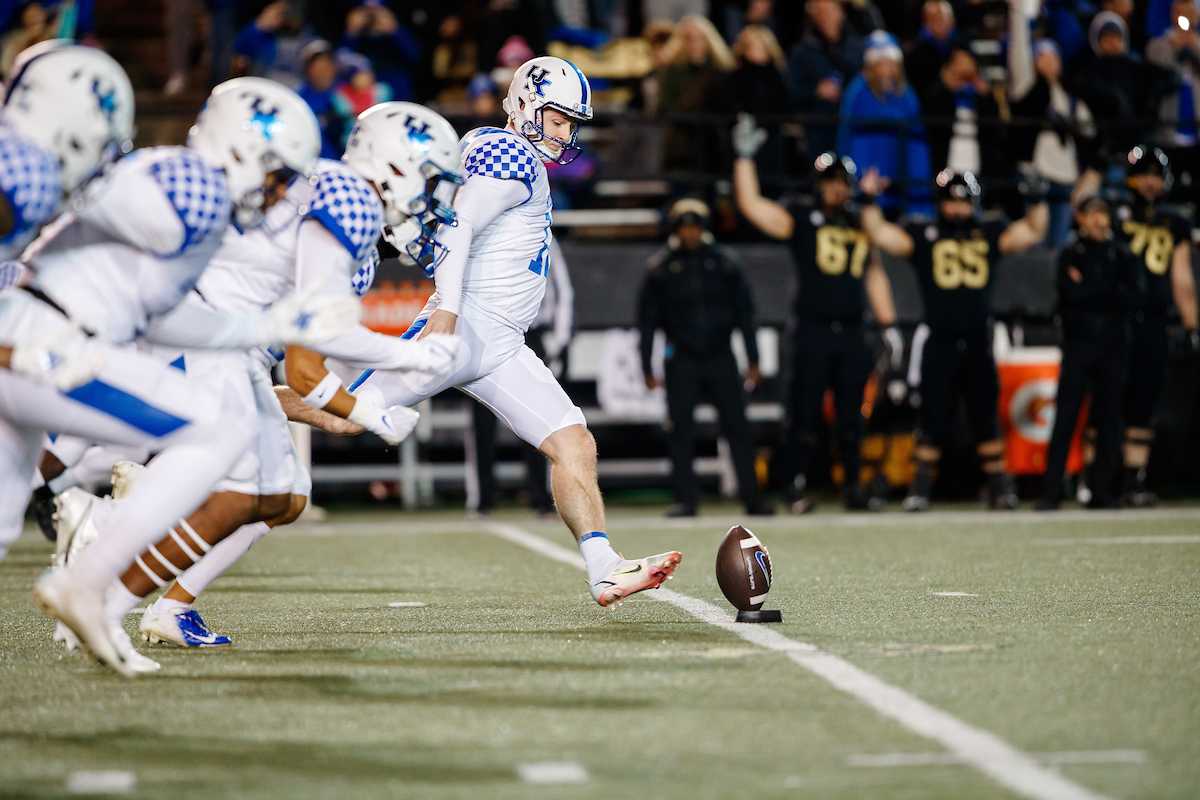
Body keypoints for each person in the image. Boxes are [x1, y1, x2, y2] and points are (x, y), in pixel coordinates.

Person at [22, 77, 359, 677]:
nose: (281, 195)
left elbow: (174, 314)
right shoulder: (192, 186)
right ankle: (97, 566)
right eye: (278, 175)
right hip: (47, 335)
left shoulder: (209, 208)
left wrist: (269, 327)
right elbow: (58, 215)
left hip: (79, 338)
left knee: (30, 482)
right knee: (212, 440)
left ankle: (98, 562)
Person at [350, 57, 683, 608]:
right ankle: (222, 414)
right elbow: (459, 224)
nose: (566, 133)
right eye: (558, 119)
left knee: (574, 442)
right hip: (469, 326)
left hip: (501, 342)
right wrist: (449, 310)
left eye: (572, 123)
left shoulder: (516, 158)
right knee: (345, 410)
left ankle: (604, 568)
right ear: (526, 105)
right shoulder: (509, 152)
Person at [734, 116, 902, 512]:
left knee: (851, 419)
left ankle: (852, 488)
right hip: (811, 329)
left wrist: (890, 324)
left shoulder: (862, 222)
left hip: (851, 330)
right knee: (803, 415)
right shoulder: (802, 219)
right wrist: (743, 159)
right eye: (830, 182)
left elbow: (875, 271)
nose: (836, 188)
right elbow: (753, 206)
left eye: (841, 182)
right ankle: (795, 486)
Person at [860, 169, 1049, 511]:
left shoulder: (988, 231)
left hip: (977, 340)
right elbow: (878, 232)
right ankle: (919, 490)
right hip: (940, 341)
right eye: (951, 201)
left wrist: (1036, 200)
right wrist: (870, 200)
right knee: (931, 418)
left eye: (963, 201)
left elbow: (1034, 231)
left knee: (986, 418)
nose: (958, 209)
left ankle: (999, 488)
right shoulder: (924, 233)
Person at [1075, 145, 1197, 506]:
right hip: (1117, 320)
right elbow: (1081, 206)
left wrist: (1191, 323)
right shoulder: (1112, 209)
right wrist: (1095, 168)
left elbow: (1181, 275)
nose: (1150, 182)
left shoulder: (1175, 220)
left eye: (1156, 175)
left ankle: (1132, 481)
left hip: (1155, 322)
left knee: (1143, 405)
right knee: (1105, 403)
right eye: (1144, 174)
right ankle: (1093, 479)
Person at [637, 198, 775, 518]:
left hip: (720, 356)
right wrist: (646, 365)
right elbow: (647, 322)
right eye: (684, 227)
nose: (690, 234)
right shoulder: (661, 268)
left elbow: (745, 315)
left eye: (695, 227)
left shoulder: (725, 263)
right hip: (681, 358)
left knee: (738, 427)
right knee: (681, 431)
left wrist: (753, 359)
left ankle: (752, 498)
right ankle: (687, 499)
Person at [1037, 195, 1134, 510]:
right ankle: (1051, 492)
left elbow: (1132, 295)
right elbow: (1071, 294)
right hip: (1078, 346)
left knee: (1107, 420)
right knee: (1065, 418)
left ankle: (1102, 492)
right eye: (1093, 214)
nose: (1099, 221)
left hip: (1112, 347)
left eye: (1103, 215)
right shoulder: (1069, 254)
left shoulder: (1119, 254)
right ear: (1080, 218)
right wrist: (1108, 290)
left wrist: (1090, 292)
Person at [470, 236, 573, 518]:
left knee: (536, 417)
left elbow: (563, 290)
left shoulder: (543, 234)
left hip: (531, 332)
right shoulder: (482, 232)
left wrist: (561, 340)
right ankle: (484, 499)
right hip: (488, 332)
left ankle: (541, 497)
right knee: (483, 421)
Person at [1008, 0, 1096, 247]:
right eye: (1041, 57)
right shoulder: (1028, 89)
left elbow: (1090, 134)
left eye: (1052, 57)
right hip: (1037, 173)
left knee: (1059, 245)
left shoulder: (1071, 98)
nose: (1047, 62)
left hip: (1067, 177)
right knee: (1035, 240)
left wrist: (1086, 170)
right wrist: (1017, 12)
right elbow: (1018, 53)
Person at [837, 31, 932, 216]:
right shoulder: (857, 91)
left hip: (900, 163)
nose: (886, 68)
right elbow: (847, 131)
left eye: (890, 63)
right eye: (881, 63)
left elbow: (916, 131)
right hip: (869, 161)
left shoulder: (906, 94)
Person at [657, 15, 733, 173]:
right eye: (689, 38)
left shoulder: (721, 71)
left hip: (712, 145)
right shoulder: (673, 70)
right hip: (680, 146)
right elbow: (666, 105)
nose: (694, 43)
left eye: (699, 37)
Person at [787, 0, 864, 158]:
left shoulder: (858, 48)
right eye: (820, 13)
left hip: (853, 126)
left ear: (841, 13)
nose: (825, 17)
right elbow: (790, 91)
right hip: (817, 129)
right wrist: (815, 91)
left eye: (829, 11)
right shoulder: (801, 51)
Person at [904, 1, 957, 101]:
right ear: (926, 22)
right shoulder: (914, 53)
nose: (940, 23)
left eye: (944, 18)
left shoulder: (960, 47)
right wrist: (943, 82)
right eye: (934, 19)